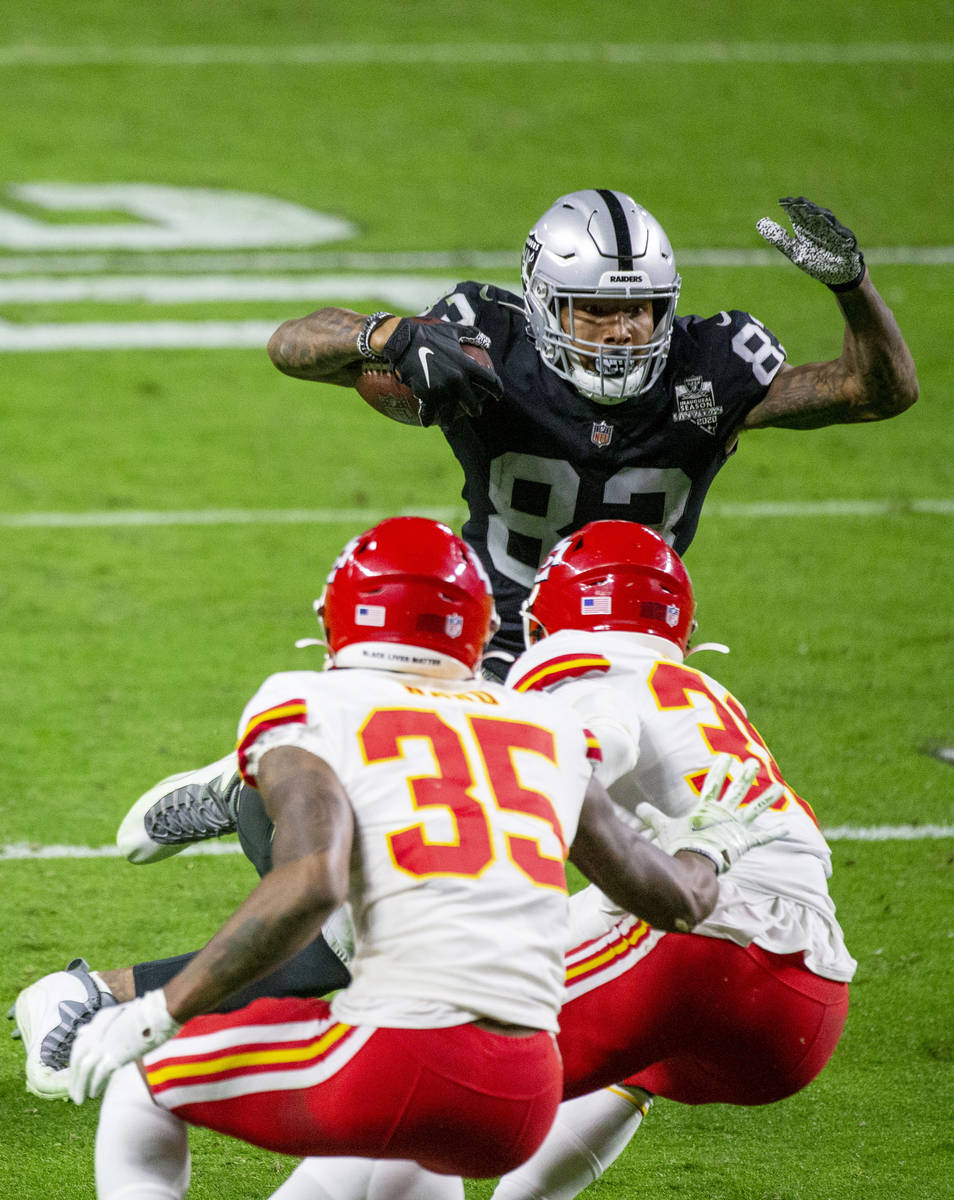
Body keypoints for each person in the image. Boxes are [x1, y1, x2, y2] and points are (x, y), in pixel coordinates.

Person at [87, 190, 916, 877]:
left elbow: (877, 390)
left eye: (640, 311)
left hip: (629, 654)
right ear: (545, 301)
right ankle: (248, 788)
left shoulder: (710, 365)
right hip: (480, 640)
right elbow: (291, 346)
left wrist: (853, 288)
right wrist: (384, 336)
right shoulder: (486, 342)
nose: (623, 331)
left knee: (673, 850)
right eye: (595, 310)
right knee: (428, 840)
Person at [51, 516, 778, 1199]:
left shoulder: (310, 702)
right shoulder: (547, 726)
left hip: (402, 1048)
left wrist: (158, 1011)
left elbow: (310, 883)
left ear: (341, 614)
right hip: (526, 1086)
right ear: (480, 628)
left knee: (142, 1084)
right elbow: (672, 901)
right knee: (400, 1158)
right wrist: (710, 849)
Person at [262, 518, 856, 1200]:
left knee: (425, 1061)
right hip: (805, 1001)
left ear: (552, 618)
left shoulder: (577, 662)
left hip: (703, 950)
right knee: (612, 1047)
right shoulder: (705, 695)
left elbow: (590, 742)